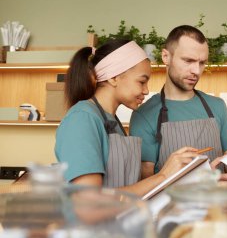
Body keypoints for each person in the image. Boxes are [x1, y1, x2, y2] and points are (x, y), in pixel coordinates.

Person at [55, 38, 202, 197]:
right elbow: (89, 203)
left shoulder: (112, 120)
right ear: (113, 77)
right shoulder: (81, 119)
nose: (146, 91)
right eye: (142, 81)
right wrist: (163, 175)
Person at [130, 25, 227, 180]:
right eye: (188, 60)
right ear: (166, 57)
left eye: (202, 63)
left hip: (215, 203)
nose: (196, 70)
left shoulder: (217, 106)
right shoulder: (144, 115)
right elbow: (146, 185)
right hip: (170, 204)